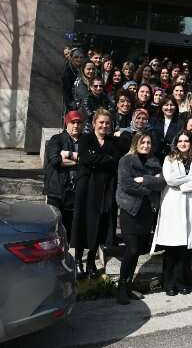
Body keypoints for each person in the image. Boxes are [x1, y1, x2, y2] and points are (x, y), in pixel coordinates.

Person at [153, 132, 192, 296]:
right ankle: (169, 284)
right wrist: (191, 178)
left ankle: (184, 282)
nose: (183, 144)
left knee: (185, 249)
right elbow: (170, 180)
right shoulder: (169, 159)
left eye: (187, 141)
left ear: (191, 143)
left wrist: (183, 184)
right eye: (180, 141)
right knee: (172, 248)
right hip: (173, 204)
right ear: (176, 143)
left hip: (191, 204)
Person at [115, 132, 163, 304]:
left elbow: (162, 182)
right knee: (132, 249)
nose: (146, 145)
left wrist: (144, 179)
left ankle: (128, 287)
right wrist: (150, 186)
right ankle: (121, 288)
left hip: (146, 212)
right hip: (130, 211)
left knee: (137, 251)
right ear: (136, 143)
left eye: (149, 142)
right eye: (143, 142)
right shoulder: (126, 161)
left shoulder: (154, 161)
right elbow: (127, 185)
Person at [71, 109, 120, 279]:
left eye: (107, 123)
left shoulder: (113, 142)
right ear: (94, 123)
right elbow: (85, 159)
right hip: (86, 187)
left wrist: (98, 159)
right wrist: (106, 159)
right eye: (101, 122)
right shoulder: (86, 139)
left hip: (105, 188)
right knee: (82, 223)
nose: (104, 125)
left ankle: (91, 261)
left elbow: (115, 161)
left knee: (99, 224)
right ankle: (78, 260)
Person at [44, 111, 83, 251]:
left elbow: (92, 160)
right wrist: (80, 161)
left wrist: (67, 155)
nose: (76, 125)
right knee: (53, 227)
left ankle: (66, 254)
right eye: (73, 122)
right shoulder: (57, 139)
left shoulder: (85, 141)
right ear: (66, 123)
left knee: (70, 229)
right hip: (57, 191)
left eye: (79, 122)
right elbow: (55, 160)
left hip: (75, 191)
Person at [150, 95, 184, 162]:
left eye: (172, 105)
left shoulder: (180, 122)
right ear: (161, 107)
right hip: (154, 156)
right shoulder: (154, 120)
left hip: (172, 157)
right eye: (166, 105)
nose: (169, 108)